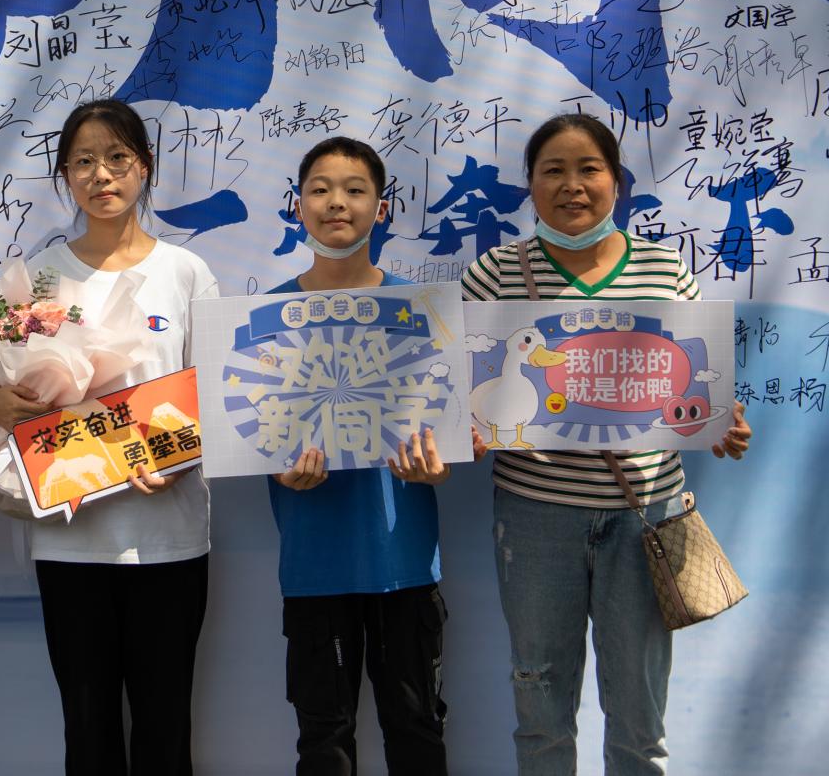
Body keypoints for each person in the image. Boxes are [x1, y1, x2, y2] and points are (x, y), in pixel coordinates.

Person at [460, 113, 752, 776]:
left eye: (588, 168)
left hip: (643, 517)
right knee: (539, 703)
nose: (572, 185)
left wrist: (725, 424)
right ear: (530, 184)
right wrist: (463, 435)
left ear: (616, 180)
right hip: (534, 520)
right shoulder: (494, 274)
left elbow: (700, 384)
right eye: (553, 170)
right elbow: (457, 393)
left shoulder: (663, 268)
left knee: (640, 718)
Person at [0, 98, 218, 776]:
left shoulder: (186, 272)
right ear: (64, 175)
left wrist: (178, 459)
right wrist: (0, 401)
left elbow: (213, 395)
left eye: (117, 157)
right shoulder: (33, 278)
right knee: (87, 731)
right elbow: (2, 391)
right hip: (71, 536)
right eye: (83, 161)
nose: (101, 174)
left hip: (169, 534)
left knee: (165, 726)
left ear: (145, 167)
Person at [267, 136, 450, 775]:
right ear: (297, 207)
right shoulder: (265, 318)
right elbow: (249, 430)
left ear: (382, 209)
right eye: (319, 189)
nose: (336, 203)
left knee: (417, 729)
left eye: (354, 190)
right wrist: (273, 466)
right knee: (324, 741)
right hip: (314, 563)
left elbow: (453, 427)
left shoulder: (425, 313)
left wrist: (439, 465)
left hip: (404, 561)